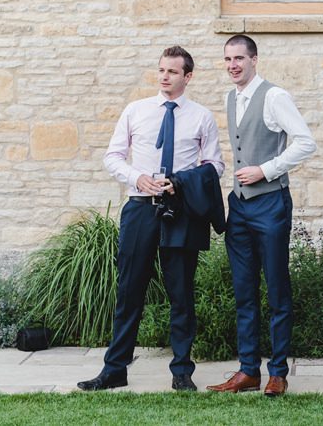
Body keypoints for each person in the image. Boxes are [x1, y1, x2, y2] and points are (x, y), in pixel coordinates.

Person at [80, 46, 226, 393]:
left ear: (187, 77)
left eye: (173, 72)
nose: (164, 76)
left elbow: (215, 166)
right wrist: (137, 177)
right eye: (161, 70)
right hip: (141, 207)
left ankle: (181, 371)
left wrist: (183, 181)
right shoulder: (136, 111)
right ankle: (115, 369)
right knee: (129, 291)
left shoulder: (202, 117)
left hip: (182, 212)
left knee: (181, 293)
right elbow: (113, 157)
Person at [207, 35, 316, 397]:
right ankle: (247, 370)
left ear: (254, 59)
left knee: (277, 290)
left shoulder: (274, 96)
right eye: (227, 59)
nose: (232, 65)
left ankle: (278, 372)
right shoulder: (231, 97)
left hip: (270, 203)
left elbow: (305, 141)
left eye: (239, 58)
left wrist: (266, 169)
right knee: (244, 291)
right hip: (238, 206)